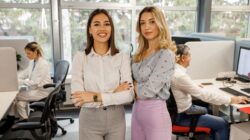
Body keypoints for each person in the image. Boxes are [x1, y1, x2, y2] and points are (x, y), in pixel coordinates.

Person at [70, 9, 134, 140]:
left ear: (111, 28)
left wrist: (93, 97)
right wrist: (115, 92)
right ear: (90, 30)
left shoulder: (122, 57)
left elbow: (129, 95)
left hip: (117, 121)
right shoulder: (80, 58)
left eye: (106, 24)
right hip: (89, 121)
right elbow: (78, 99)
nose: (102, 28)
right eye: (97, 24)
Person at [171, 44, 250, 140]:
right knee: (222, 123)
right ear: (183, 58)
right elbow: (205, 95)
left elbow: (181, 85)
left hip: (179, 113)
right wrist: (231, 99)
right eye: (190, 55)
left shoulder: (174, 71)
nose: (191, 58)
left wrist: (192, 85)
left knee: (209, 111)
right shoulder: (180, 76)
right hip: (184, 116)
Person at [131, 6, 176, 140]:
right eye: (142, 23)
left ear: (160, 24)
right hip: (136, 112)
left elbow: (149, 90)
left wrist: (132, 87)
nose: (147, 27)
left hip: (155, 115)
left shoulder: (166, 54)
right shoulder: (138, 54)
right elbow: (126, 81)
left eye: (152, 21)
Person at [0, 42, 52, 132]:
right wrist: (15, 78)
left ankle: (10, 121)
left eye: (29, 53)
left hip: (41, 91)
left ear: (36, 52)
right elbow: (25, 74)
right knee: (20, 103)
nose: (27, 55)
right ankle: (25, 121)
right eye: (26, 53)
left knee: (14, 97)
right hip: (34, 90)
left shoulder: (43, 64)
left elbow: (35, 83)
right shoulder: (32, 62)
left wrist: (21, 81)